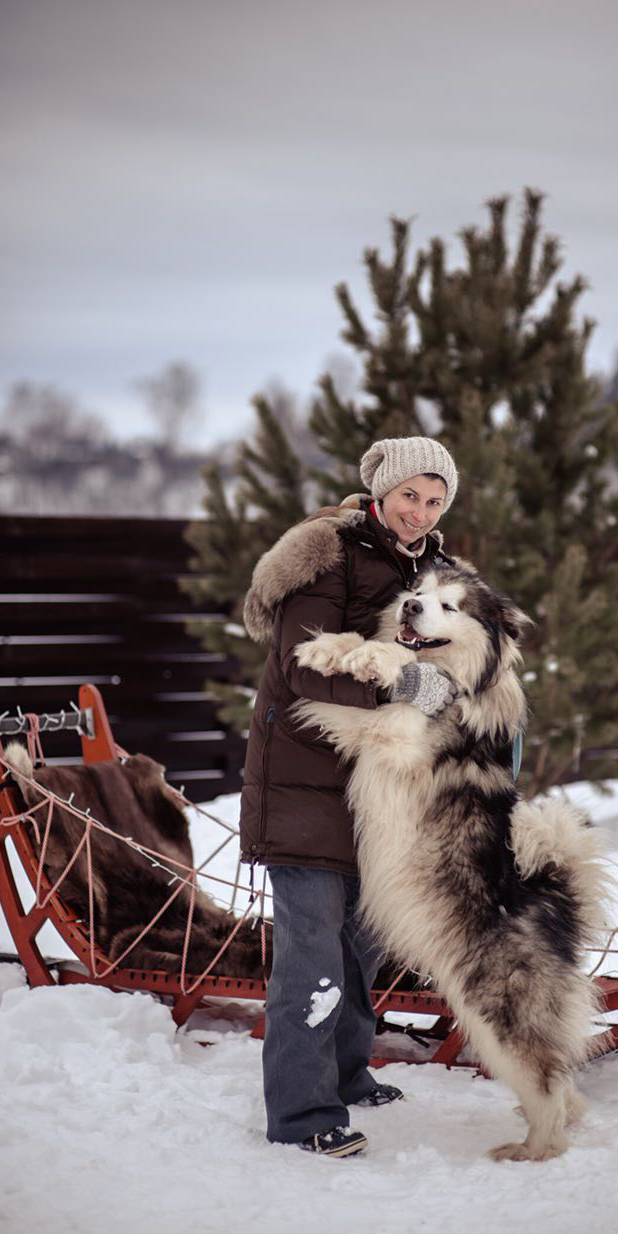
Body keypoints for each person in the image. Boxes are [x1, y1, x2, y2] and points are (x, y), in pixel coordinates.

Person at [240, 436, 459, 1157]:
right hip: (303, 782)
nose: (419, 513)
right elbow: (305, 664)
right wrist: (401, 683)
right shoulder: (326, 553)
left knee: (362, 945)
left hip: (379, 788)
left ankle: (346, 1073)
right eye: (409, 497)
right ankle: (301, 1115)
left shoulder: (433, 571)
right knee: (311, 952)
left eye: (434, 502)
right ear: (383, 492)